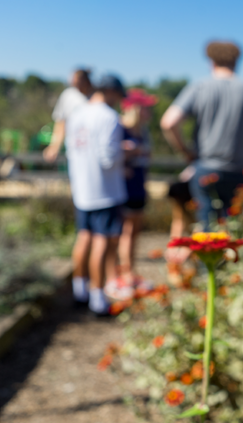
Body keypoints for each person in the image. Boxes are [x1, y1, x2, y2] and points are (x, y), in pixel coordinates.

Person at [160, 40, 243, 235]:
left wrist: (186, 152)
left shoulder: (199, 87)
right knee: (237, 232)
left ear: (211, 61)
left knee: (208, 232)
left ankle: (208, 266)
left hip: (206, 169)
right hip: (241, 171)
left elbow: (169, 122)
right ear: (237, 61)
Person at [65, 74, 127, 315]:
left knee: (84, 238)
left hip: (82, 187)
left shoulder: (77, 115)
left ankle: (79, 290)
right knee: (102, 241)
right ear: (110, 92)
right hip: (105, 190)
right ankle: (98, 298)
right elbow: (108, 158)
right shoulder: (109, 117)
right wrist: (127, 155)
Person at [105, 89, 158, 299]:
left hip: (138, 186)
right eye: (146, 107)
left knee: (134, 232)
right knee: (123, 233)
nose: (149, 112)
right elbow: (110, 154)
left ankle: (131, 272)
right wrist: (127, 153)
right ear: (135, 108)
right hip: (124, 188)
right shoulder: (120, 128)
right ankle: (120, 275)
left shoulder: (142, 132)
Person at [43, 68, 93, 162]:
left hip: (93, 150)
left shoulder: (96, 96)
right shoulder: (68, 95)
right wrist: (54, 146)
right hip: (74, 150)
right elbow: (61, 123)